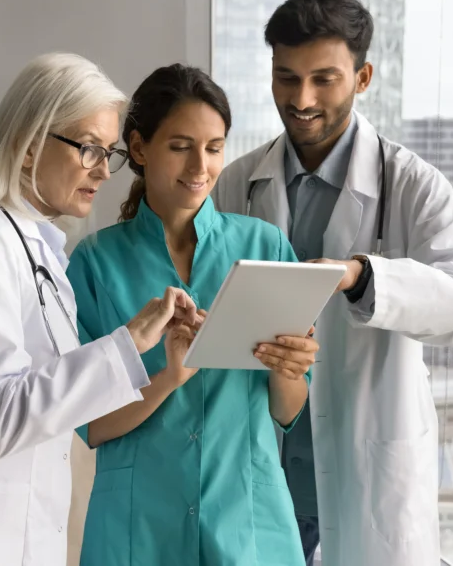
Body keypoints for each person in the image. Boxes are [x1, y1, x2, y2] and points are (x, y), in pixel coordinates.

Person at [211, 0, 453, 566]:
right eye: (286, 78)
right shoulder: (236, 184)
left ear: (363, 76)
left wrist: (362, 277)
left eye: (324, 79)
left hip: (366, 470)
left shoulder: (411, 184)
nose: (302, 99)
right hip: (265, 471)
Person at [0, 53, 200, 566]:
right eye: (89, 148)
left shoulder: (42, 251)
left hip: (19, 532)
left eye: (108, 152)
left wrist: (159, 365)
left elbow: (52, 400)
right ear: (28, 147)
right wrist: (128, 342)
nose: (103, 170)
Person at [67, 64, 314, 565]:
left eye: (214, 147)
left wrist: (289, 368)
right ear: (139, 148)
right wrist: (169, 377)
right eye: (180, 146)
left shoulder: (264, 247)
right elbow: (90, 425)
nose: (200, 165)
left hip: (247, 522)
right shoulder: (94, 263)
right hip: (139, 527)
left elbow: (287, 410)